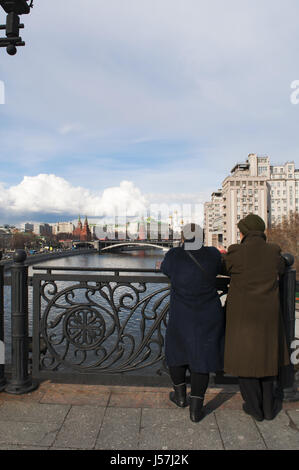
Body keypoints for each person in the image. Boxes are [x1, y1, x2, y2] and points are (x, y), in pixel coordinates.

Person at [222, 213, 289, 421]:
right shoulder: (274, 252)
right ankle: (269, 409)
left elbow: (224, 268)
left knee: (246, 363)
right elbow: (282, 267)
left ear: (244, 232)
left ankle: (254, 408)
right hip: (268, 317)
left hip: (244, 318)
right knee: (268, 361)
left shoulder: (236, 252)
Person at [160, 223, 225, 422]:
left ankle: (180, 397)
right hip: (208, 314)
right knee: (202, 359)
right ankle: (196, 410)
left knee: (177, 353)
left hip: (182, 313)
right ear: (202, 237)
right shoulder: (213, 254)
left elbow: (165, 269)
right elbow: (219, 268)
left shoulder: (173, 255)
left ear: (183, 237)